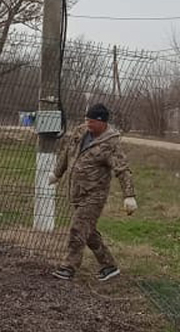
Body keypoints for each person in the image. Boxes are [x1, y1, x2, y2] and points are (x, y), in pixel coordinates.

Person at [50, 103, 137, 282]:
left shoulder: (110, 144)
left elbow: (122, 169)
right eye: (86, 120)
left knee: (77, 228)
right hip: (76, 192)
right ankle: (109, 266)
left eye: (92, 121)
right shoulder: (80, 132)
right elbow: (68, 153)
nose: (88, 124)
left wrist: (129, 195)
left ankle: (68, 267)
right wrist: (57, 173)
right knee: (88, 232)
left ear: (102, 122)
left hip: (94, 195)